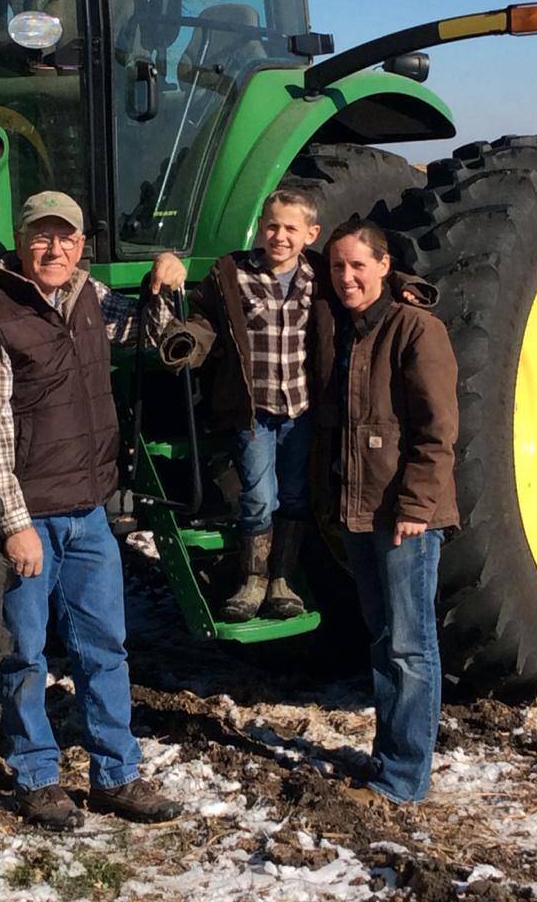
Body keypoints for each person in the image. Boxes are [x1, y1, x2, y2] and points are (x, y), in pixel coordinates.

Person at [0, 190, 186, 830]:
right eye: (43, 238)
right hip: (29, 520)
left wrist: (165, 279)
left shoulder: (88, 299)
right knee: (23, 652)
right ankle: (35, 775)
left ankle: (117, 774)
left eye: (68, 239)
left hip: (88, 514)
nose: (55, 250)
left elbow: (153, 333)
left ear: (82, 245)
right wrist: (13, 523)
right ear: (22, 244)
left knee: (105, 648)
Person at [156, 190, 435, 625]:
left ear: (311, 234)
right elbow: (206, 316)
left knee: (295, 495)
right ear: (260, 226)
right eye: (272, 226)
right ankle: (252, 580)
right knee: (257, 496)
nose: (279, 236)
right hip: (255, 411)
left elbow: (366, 276)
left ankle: (282, 579)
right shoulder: (232, 273)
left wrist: (407, 286)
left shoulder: (319, 274)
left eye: (290, 229)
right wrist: (186, 338)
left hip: (302, 410)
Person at [313, 215, 459, 805]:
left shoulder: (415, 329)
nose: (347, 277)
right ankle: (389, 757)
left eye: (357, 265)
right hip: (360, 511)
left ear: (383, 267)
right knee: (383, 641)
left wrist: (418, 506)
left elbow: (437, 427)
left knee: (410, 646)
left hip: (405, 518)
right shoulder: (344, 329)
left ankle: (405, 776)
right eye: (337, 266)